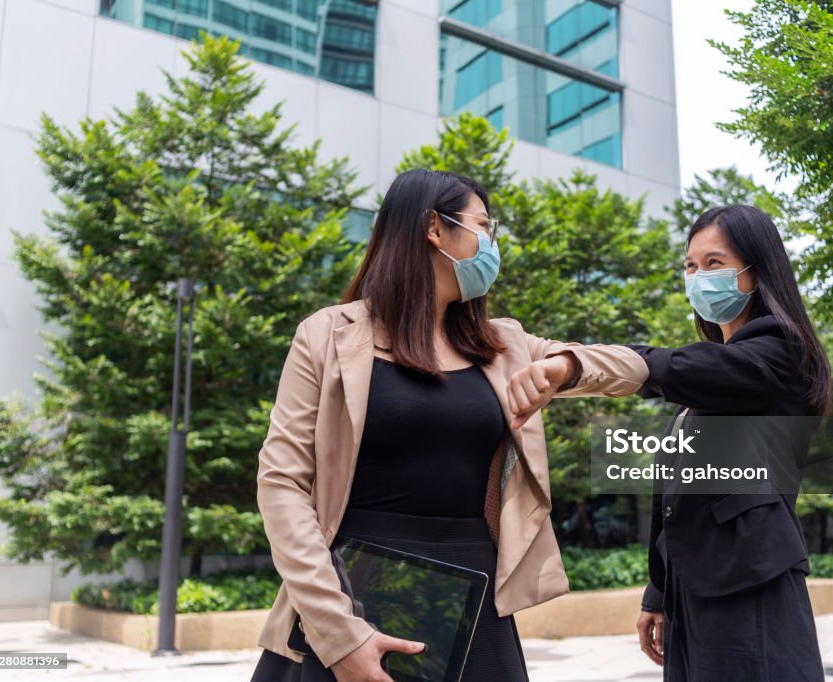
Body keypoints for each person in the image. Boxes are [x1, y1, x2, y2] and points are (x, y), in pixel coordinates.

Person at [249, 168, 648, 682]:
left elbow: (632, 368)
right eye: (484, 225)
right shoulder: (328, 334)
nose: (491, 242)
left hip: (474, 598)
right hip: (350, 595)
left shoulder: (502, 344)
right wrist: (339, 633)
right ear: (435, 228)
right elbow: (281, 483)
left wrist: (563, 366)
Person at [508, 205, 831, 681]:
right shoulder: (714, 377)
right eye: (691, 265)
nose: (699, 277)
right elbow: (680, 495)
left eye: (715, 263)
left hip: (749, 585)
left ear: (756, 272)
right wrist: (659, 592)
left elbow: (677, 367)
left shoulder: (780, 352)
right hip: (692, 593)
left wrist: (576, 366)